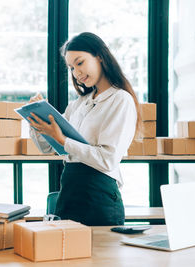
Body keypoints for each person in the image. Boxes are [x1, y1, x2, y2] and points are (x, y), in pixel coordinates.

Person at [27, 32, 140, 226]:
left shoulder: (121, 100)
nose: (76, 73)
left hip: (99, 197)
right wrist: (36, 122)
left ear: (100, 57)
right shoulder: (79, 104)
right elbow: (47, 148)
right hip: (69, 193)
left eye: (80, 63)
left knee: (101, 256)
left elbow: (108, 159)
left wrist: (64, 140)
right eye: (71, 67)